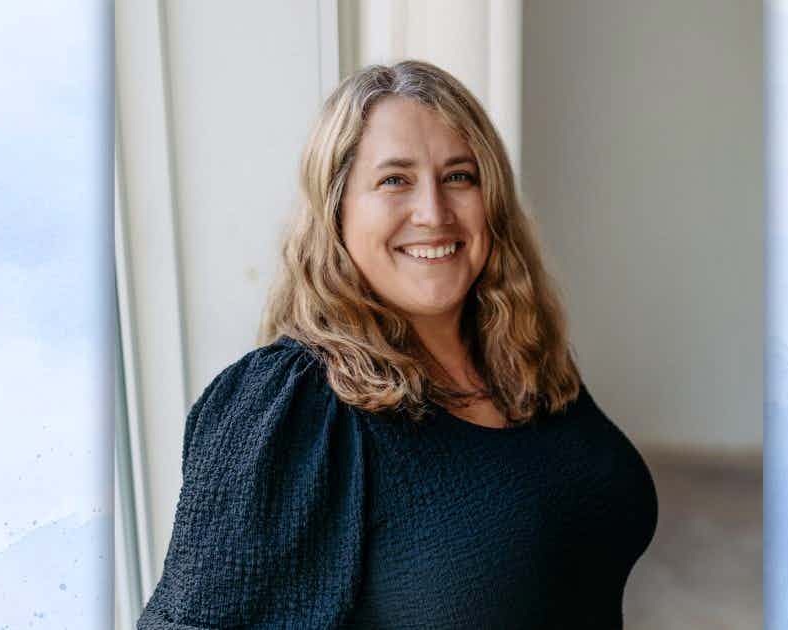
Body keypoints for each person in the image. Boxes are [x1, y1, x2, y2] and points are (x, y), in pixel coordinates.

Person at [136, 59, 658, 630]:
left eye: (459, 176)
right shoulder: (294, 405)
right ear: (336, 211)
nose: (433, 212)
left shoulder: (522, 354)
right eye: (394, 180)